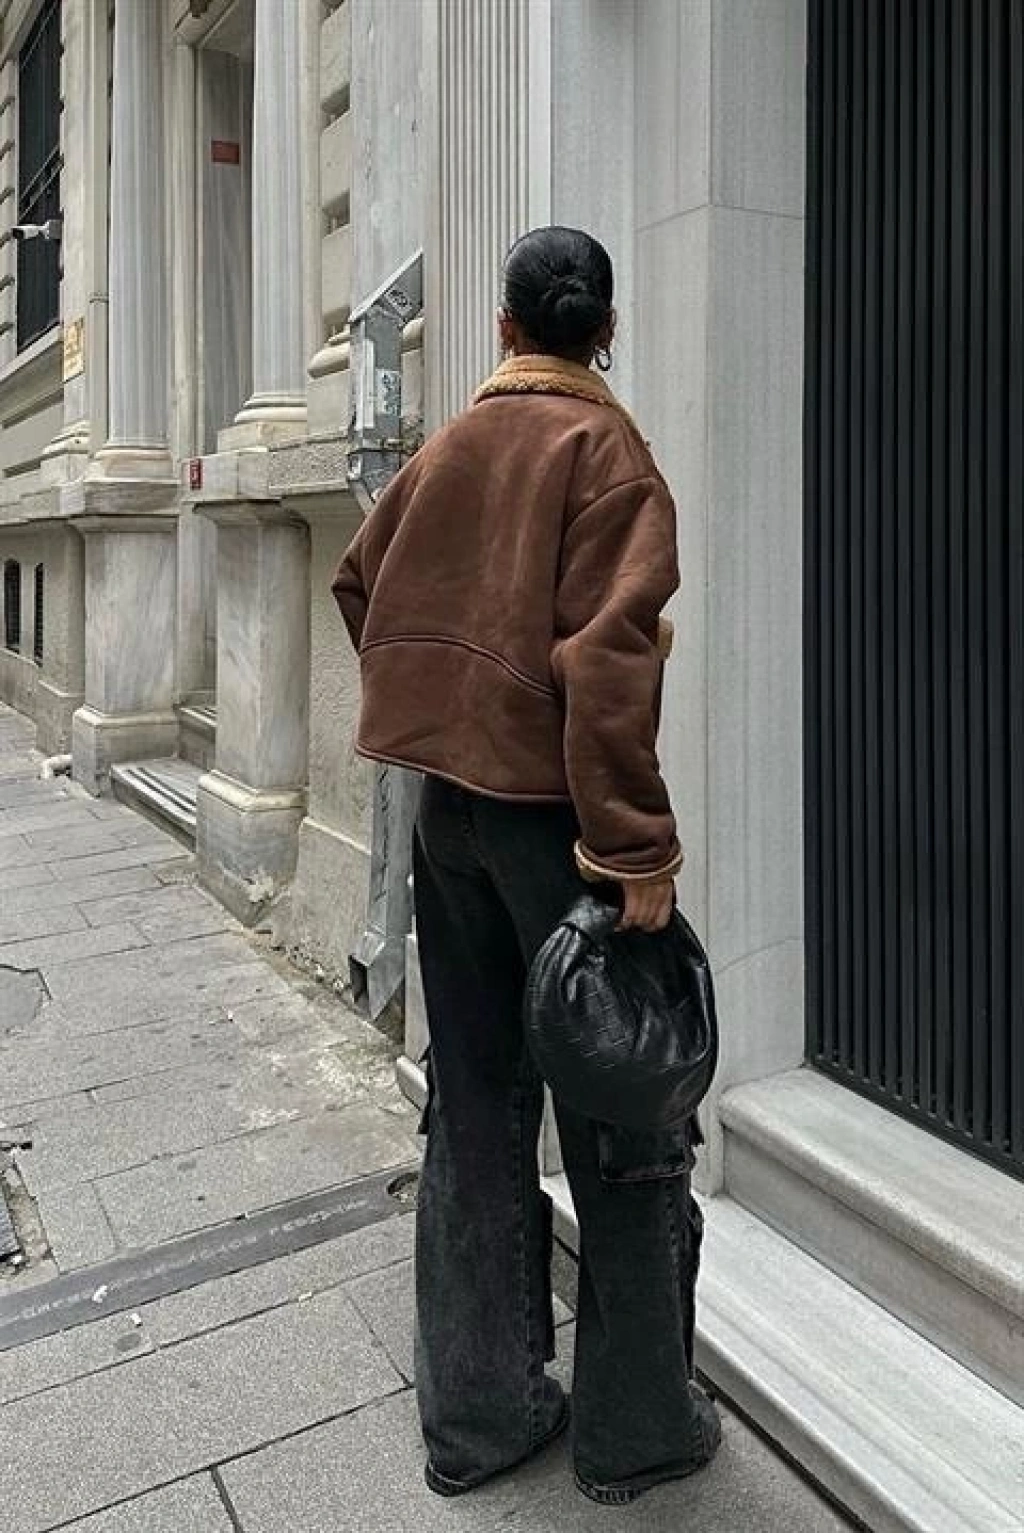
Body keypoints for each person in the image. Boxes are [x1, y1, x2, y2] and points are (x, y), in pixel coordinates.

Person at [332, 225, 721, 1505]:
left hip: (447, 820)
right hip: (559, 831)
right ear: (603, 329)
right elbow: (607, 672)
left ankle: (480, 1419)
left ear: (505, 326)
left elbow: (360, 583)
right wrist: (635, 852)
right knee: (626, 1124)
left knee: (474, 1103)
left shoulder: (451, 444)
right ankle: (636, 1429)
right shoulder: (608, 455)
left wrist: (442, 712)